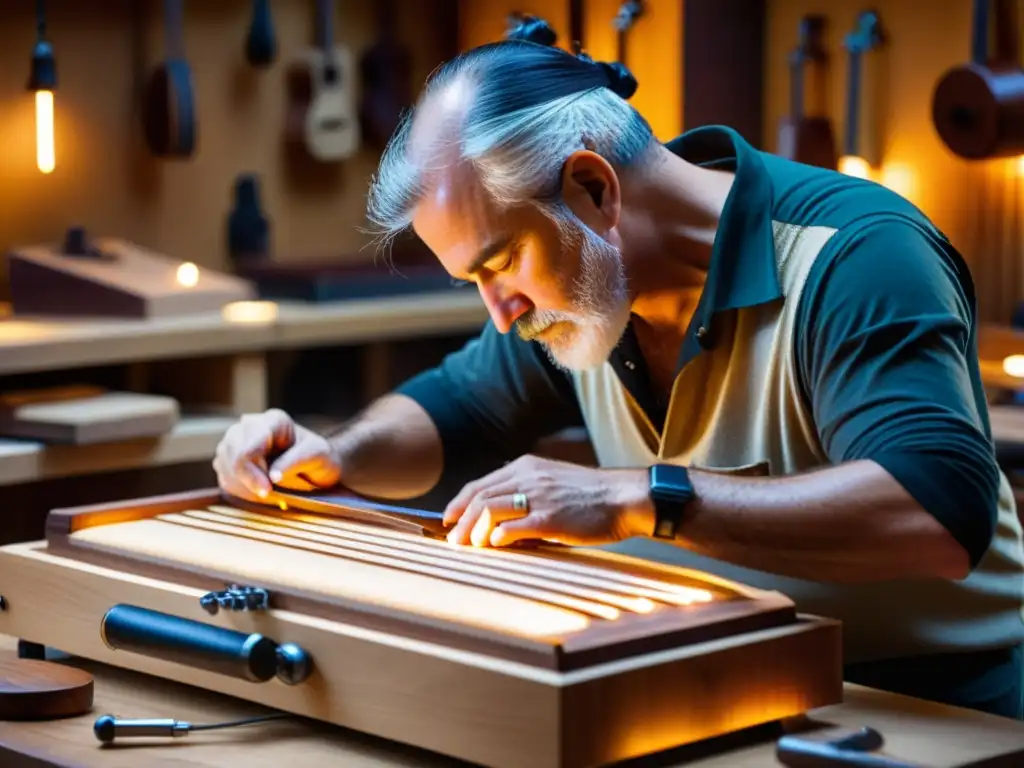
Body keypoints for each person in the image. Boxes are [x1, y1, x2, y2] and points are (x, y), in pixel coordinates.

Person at [214, 40, 1024, 718]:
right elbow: (458, 407)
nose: (501, 313)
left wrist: (641, 498)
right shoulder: (588, 289)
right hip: (726, 686)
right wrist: (334, 453)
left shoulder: (857, 256)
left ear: (594, 188)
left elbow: (934, 511)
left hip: (934, 702)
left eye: (500, 264)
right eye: (475, 283)